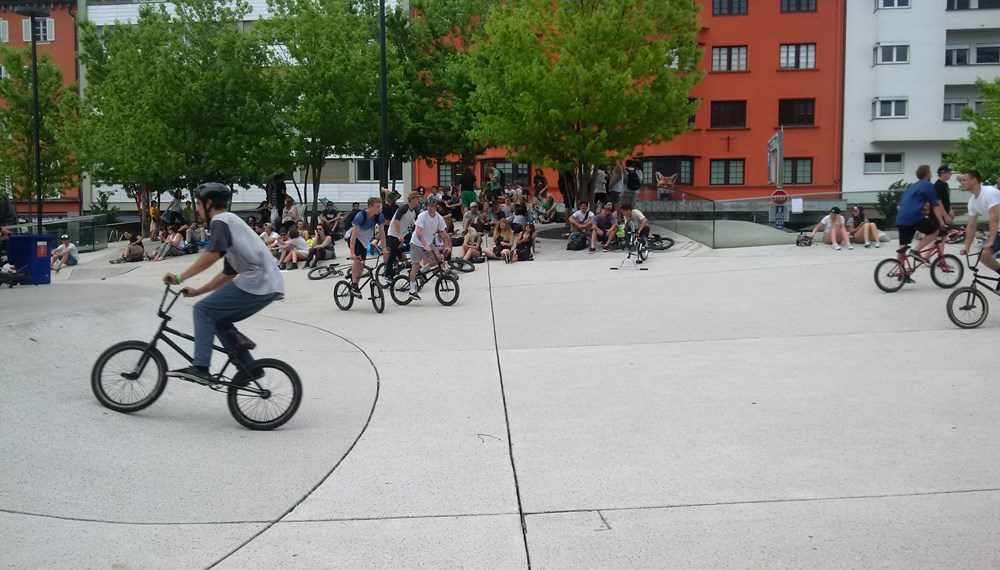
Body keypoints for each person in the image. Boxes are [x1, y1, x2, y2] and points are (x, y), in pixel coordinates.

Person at [162, 183, 284, 384]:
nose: (198, 211)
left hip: (258, 280)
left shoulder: (220, 220)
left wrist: (180, 278)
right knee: (217, 318)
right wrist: (198, 290)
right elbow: (228, 273)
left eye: (199, 206)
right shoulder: (231, 223)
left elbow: (211, 255)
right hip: (267, 282)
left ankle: (201, 367)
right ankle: (248, 368)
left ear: (209, 203)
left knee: (202, 311)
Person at [895, 164, 950, 267]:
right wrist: (942, 222)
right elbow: (935, 204)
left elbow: (901, 204)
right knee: (935, 230)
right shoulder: (927, 185)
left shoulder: (912, 186)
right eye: (930, 173)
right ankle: (916, 250)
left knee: (903, 246)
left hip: (901, 218)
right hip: (913, 216)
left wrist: (923, 210)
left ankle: (900, 273)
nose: (931, 175)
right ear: (927, 174)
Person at [958, 170, 1000, 286]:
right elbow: (971, 226)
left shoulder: (989, 192)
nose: (962, 182)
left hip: (997, 230)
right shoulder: (972, 201)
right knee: (983, 255)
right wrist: (967, 246)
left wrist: (991, 241)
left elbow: (994, 217)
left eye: (964, 180)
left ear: (974, 180)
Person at [407, 199, 450, 300]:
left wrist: (447, 246)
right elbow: (418, 232)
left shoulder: (439, 218)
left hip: (429, 242)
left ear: (436, 207)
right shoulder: (423, 215)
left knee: (439, 258)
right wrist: (425, 245)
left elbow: (444, 233)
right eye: (428, 206)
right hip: (417, 242)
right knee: (415, 264)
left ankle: (422, 271)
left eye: (432, 206)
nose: (429, 208)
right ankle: (412, 290)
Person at [346, 197, 386, 297]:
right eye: (377, 207)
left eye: (380, 207)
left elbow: (382, 233)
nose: (379, 209)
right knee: (358, 259)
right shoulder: (360, 216)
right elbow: (353, 236)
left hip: (364, 242)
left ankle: (354, 281)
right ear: (370, 206)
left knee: (361, 266)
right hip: (353, 239)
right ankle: (354, 285)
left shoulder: (379, 216)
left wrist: (384, 248)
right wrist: (352, 252)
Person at [386, 191, 420, 283]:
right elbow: (396, 221)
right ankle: (388, 274)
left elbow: (418, 223)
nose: (419, 200)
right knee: (392, 255)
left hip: (404, 232)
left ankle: (399, 252)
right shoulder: (403, 208)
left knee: (414, 244)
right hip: (394, 233)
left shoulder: (415, 210)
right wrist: (398, 235)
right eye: (417, 198)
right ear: (412, 199)